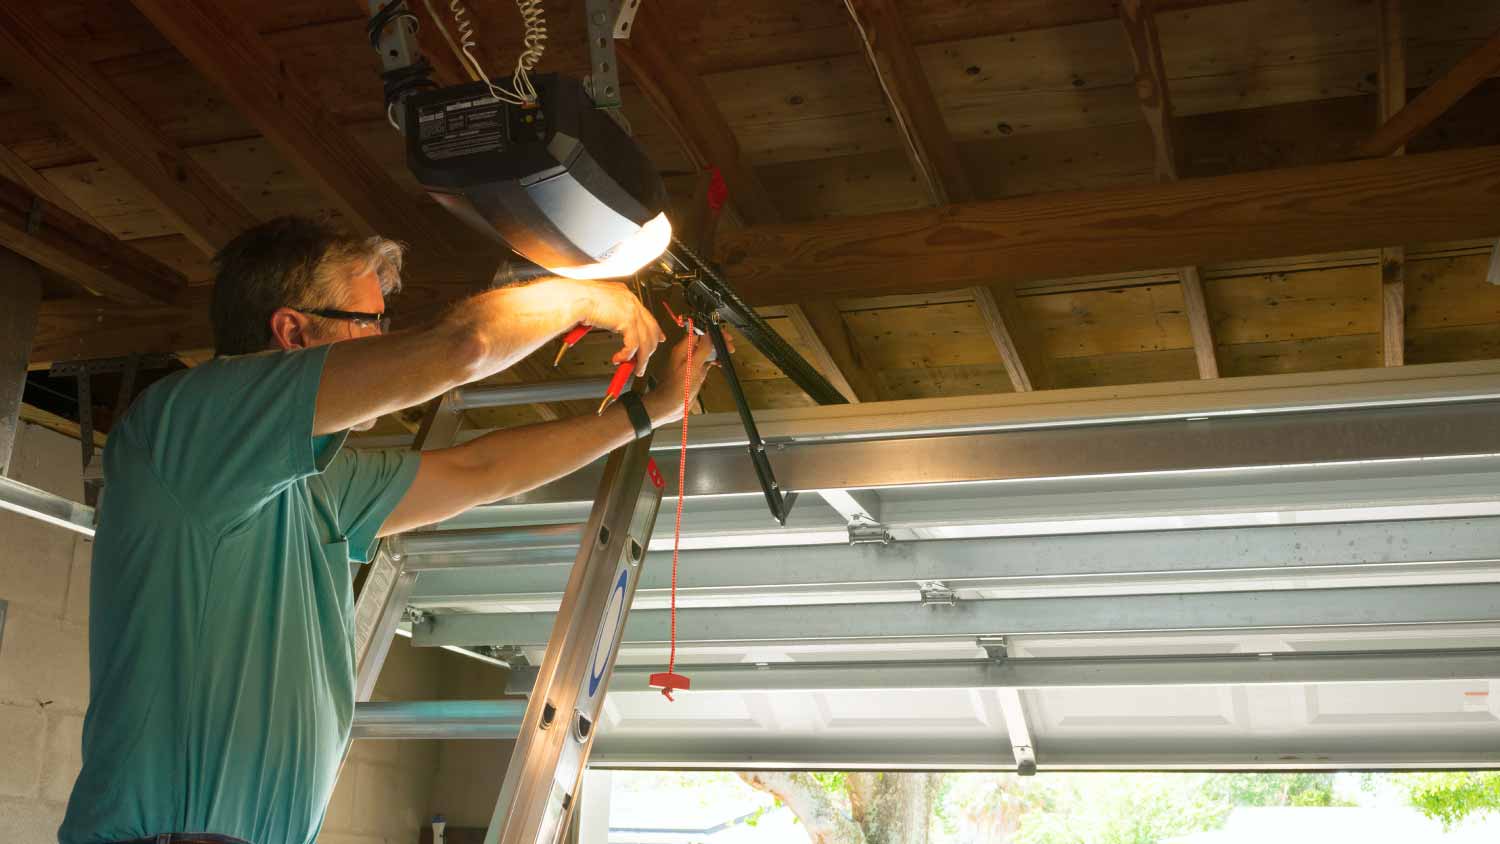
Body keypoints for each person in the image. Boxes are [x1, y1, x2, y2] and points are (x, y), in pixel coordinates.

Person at [58, 216, 719, 844]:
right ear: (293, 333)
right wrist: (587, 296)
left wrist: (644, 413)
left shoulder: (316, 483)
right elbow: (464, 347)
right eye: (369, 322)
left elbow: (477, 469)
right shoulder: (187, 429)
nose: (383, 342)